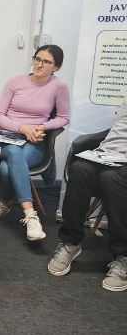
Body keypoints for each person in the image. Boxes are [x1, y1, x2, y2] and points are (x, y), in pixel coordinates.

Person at [47, 97, 127, 292]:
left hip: (121, 166)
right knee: (80, 169)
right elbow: (116, 132)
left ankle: (123, 255)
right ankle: (70, 242)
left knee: (110, 178)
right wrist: (104, 151)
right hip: (110, 154)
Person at [0, 45, 69, 241]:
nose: (39, 64)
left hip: (34, 140)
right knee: (13, 152)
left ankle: (4, 203)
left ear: (56, 67)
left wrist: (43, 126)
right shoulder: (14, 82)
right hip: (6, 137)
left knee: (6, 168)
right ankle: (30, 214)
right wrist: (22, 128)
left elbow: (63, 118)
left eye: (46, 62)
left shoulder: (59, 86)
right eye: (37, 59)